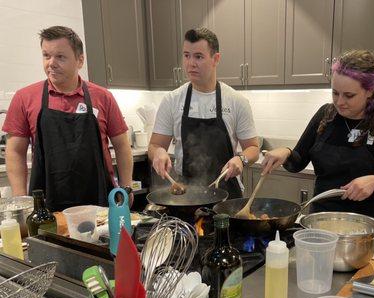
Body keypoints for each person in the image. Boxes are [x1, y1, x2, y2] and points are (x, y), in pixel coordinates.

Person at [262, 50, 374, 240]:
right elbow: (297, 162)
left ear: (370, 91)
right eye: (335, 93)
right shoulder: (326, 115)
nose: (339, 102)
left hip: (366, 231)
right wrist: (285, 153)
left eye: (349, 95)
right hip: (321, 221)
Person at [2, 26, 132, 211]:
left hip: (100, 201)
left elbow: (121, 145)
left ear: (80, 60)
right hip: (46, 206)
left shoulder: (103, 97)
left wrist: (126, 188)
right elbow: (15, 151)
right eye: (46, 55)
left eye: (60, 57)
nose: (51, 63)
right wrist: (21, 199)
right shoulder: (25, 98)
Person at [148, 28, 259, 198]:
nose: (190, 63)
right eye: (186, 55)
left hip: (226, 193)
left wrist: (241, 159)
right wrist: (158, 153)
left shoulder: (237, 101)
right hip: (185, 194)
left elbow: (253, 148)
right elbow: (155, 145)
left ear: (216, 59)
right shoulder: (172, 100)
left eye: (198, 57)